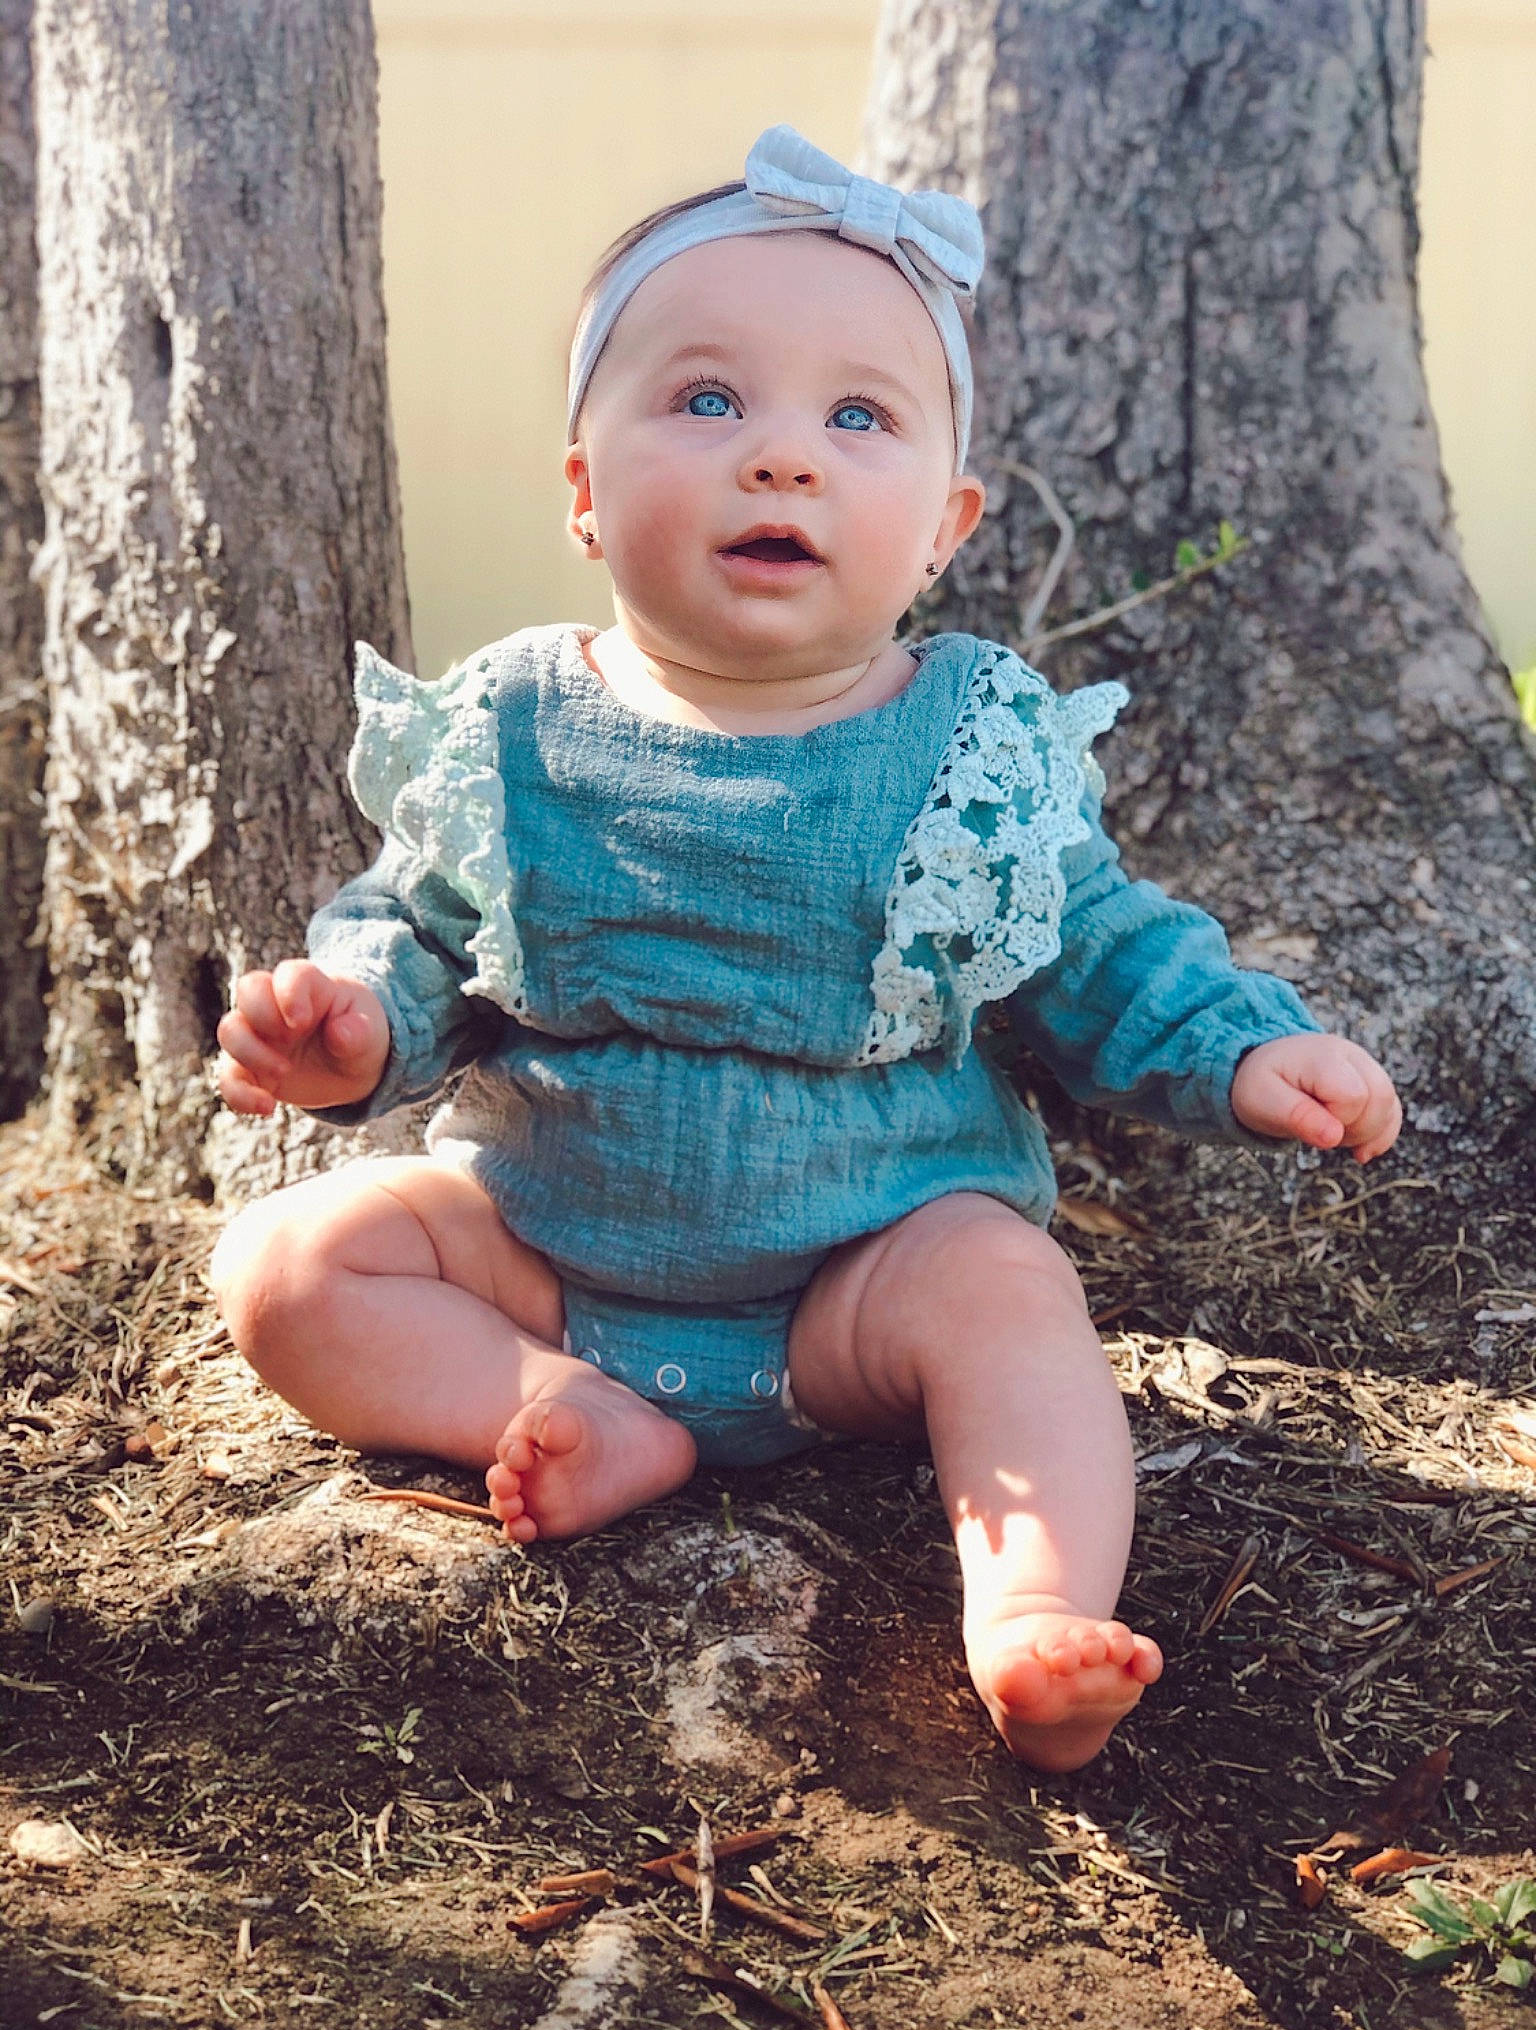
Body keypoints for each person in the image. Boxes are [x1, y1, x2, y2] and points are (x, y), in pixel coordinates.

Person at [211, 128, 1401, 1772]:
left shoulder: (967, 746)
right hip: (547, 1250)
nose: (783, 459)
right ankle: (558, 1412)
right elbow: (420, 936)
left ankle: (1035, 1613)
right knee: (285, 1266)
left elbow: (1101, 948)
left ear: (945, 528)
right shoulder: (514, 730)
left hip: (857, 1285)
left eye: (859, 418)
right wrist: (345, 1028)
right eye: (708, 400)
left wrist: (1243, 1051)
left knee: (1013, 1291)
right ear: (579, 486)